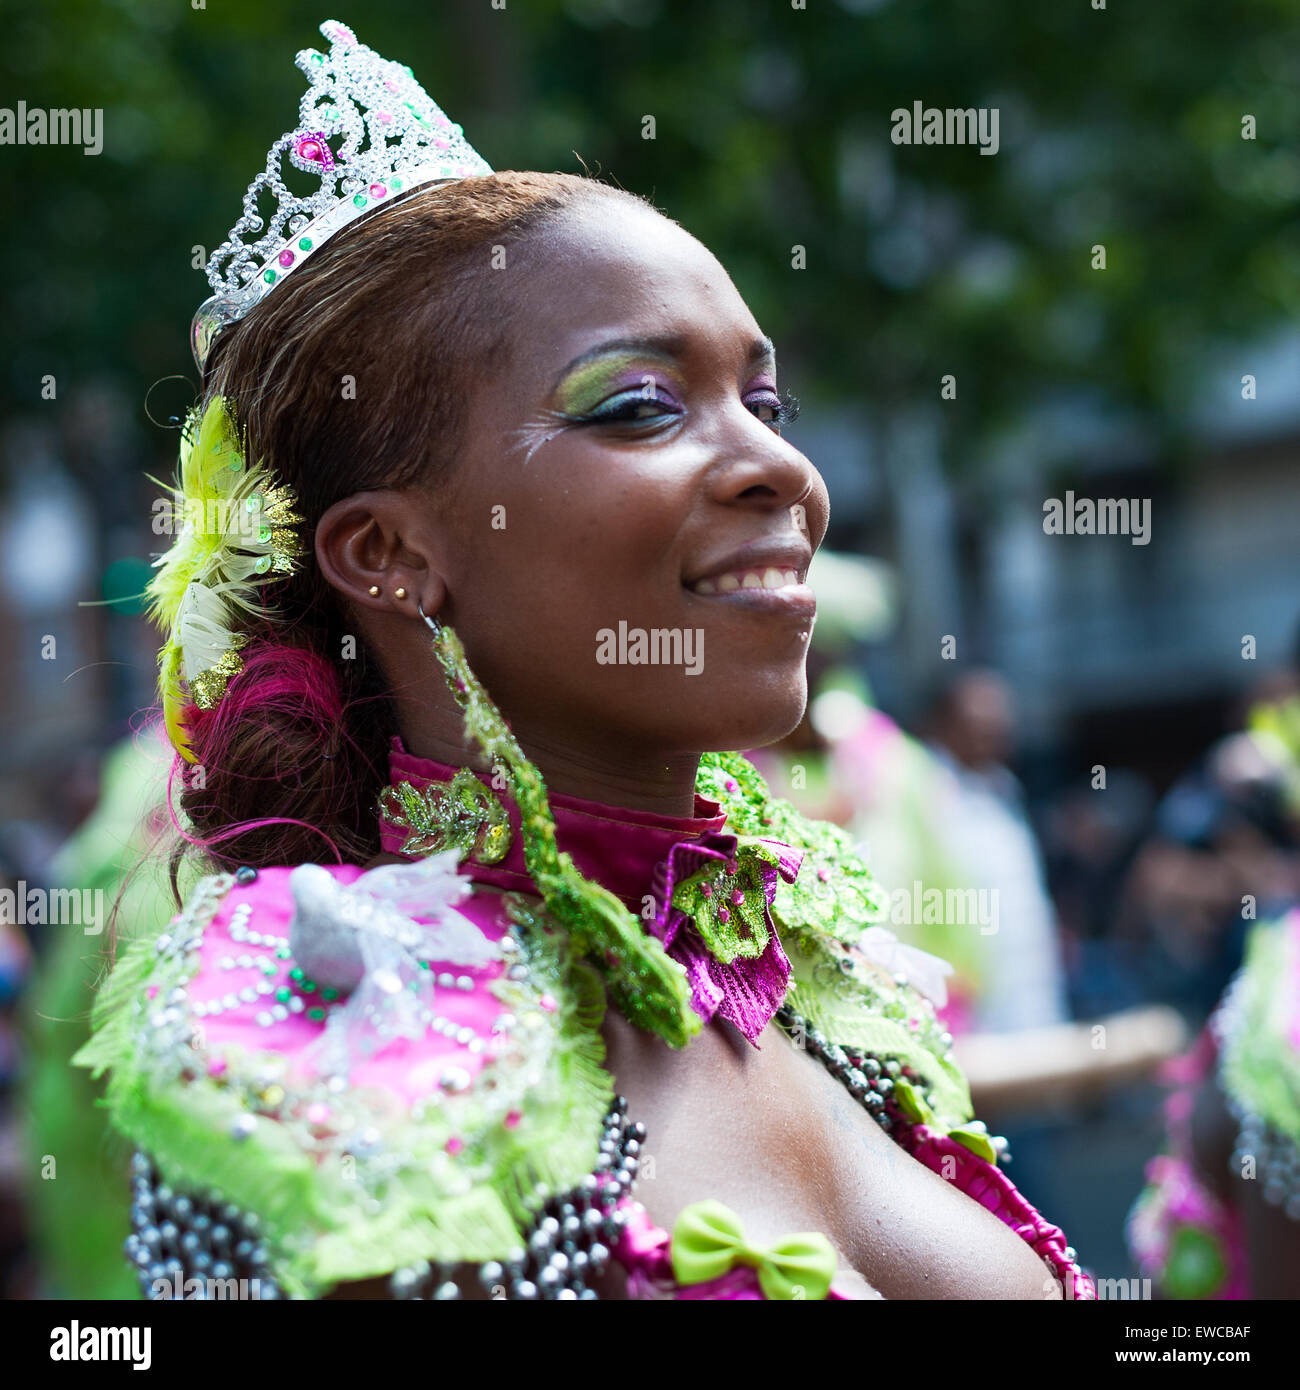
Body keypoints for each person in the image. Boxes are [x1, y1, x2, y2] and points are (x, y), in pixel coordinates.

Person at [75, 20, 1094, 1301]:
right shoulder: (329, 1025)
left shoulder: (822, 978)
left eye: (763, 404)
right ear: (389, 551)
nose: (780, 469)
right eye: (638, 407)